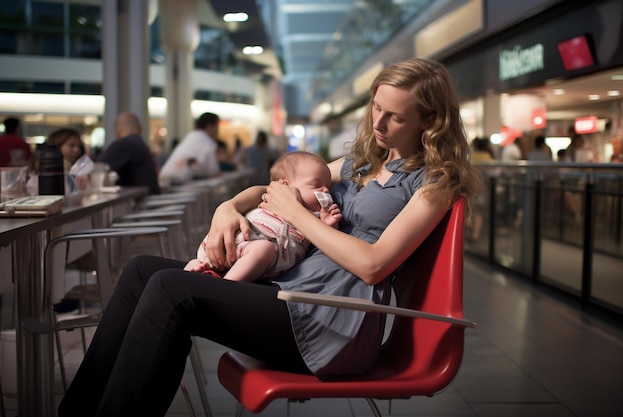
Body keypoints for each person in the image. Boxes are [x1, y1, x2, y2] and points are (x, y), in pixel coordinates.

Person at [58, 58, 482, 416]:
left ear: (429, 120)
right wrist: (228, 208)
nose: (379, 124)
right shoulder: (358, 164)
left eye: (396, 116)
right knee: (140, 271)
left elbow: (374, 266)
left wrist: (297, 213)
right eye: (376, 109)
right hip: (287, 293)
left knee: (173, 289)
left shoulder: (434, 183)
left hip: (331, 320)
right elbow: (273, 188)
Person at [185, 151, 342, 282]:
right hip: (236, 242)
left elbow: (328, 242)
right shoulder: (271, 198)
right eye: (316, 185)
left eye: (328, 186)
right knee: (262, 249)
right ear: (285, 186)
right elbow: (257, 194)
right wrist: (228, 207)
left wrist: (330, 225)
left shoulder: (318, 216)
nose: (325, 190)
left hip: (257, 259)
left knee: (264, 250)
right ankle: (208, 274)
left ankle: (213, 279)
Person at [97, 112, 161, 195]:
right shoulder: (140, 144)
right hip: (151, 200)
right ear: (140, 129)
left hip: (142, 204)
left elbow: (97, 170)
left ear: (116, 132)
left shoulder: (122, 145)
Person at [159, 112, 221, 185]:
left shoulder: (191, 136)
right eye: (217, 126)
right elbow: (213, 171)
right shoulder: (208, 142)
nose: (218, 130)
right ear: (209, 126)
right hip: (178, 182)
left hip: (164, 179)